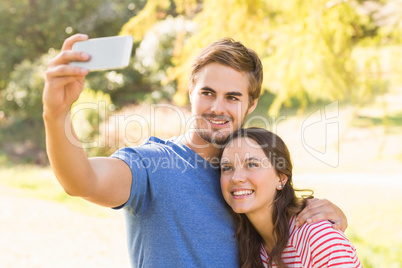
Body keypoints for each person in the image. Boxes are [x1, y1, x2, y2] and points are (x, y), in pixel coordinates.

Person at [43, 34, 348, 267]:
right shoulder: (152, 165)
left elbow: (289, 228)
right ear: (190, 91)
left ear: (251, 104)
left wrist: (332, 219)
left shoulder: (249, 179)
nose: (217, 107)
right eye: (207, 93)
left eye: (232, 97)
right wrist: (55, 114)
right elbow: (82, 181)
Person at [220, 127, 362, 268]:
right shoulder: (252, 247)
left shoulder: (318, 237)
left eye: (251, 164)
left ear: (281, 179)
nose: (236, 178)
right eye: (227, 168)